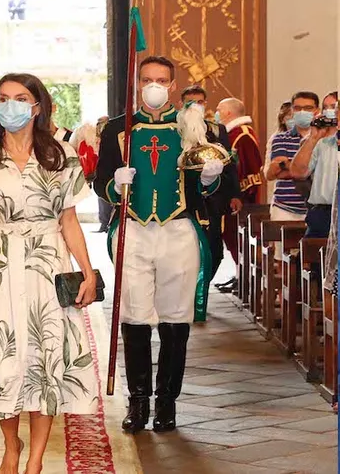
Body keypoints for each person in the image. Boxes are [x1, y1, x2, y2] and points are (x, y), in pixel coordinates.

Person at [0, 73, 98, 474]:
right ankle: (11, 444)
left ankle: (35, 458)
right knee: (1, 358)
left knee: (45, 357)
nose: (11, 106)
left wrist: (88, 272)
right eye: (3, 98)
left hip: (48, 266)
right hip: (0, 268)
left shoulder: (61, 155)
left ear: (37, 107)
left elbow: (69, 221)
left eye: (21, 98)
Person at [95, 56, 231, 434]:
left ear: (172, 85)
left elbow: (210, 186)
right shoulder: (118, 129)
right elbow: (100, 181)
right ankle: (138, 401)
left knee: (175, 318)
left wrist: (209, 178)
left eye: (161, 80)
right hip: (133, 230)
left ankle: (167, 402)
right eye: (146, 79)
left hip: (178, 229)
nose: (153, 86)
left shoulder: (195, 126)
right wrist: (114, 185)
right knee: (134, 315)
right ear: (138, 83)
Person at [179, 86, 240, 281]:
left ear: (205, 104)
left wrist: (235, 194)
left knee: (214, 251)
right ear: (181, 104)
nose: (195, 106)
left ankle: (201, 288)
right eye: (190, 102)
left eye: (199, 102)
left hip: (212, 200)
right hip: (182, 198)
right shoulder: (174, 128)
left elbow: (229, 164)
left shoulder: (216, 129)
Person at [214, 98, 264, 291]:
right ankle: (239, 275)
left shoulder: (242, 135)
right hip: (230, 198)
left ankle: (246, 279)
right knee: (232, 238)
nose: (216, 113)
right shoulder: (231, 134)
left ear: (228, 113)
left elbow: (250, 171)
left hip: (241, 200)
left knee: (239, 239)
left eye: (219, 109)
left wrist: (239, 195)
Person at [289, 92, 338, 238]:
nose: (331, 113)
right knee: (312, 250)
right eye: (326, 108)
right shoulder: (320, 142)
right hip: (322, 214)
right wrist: (313, 138)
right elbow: (297, 173)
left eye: (334, 108)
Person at [266, 92, 318, 223]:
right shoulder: (281, 138)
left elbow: (321, 172)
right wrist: (307, 169)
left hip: (316, 209)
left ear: (317, 111)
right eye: (298, 108)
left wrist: (287, 165)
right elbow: (273, 173)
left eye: (308, 108)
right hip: (284, 208)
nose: (302, 112)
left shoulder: (322, 139)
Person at [264, 101, 293, 204]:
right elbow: (270, 172)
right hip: (283, 198)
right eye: (289, 116)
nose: (293, 119)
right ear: (282, 119)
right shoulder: (276, 138)